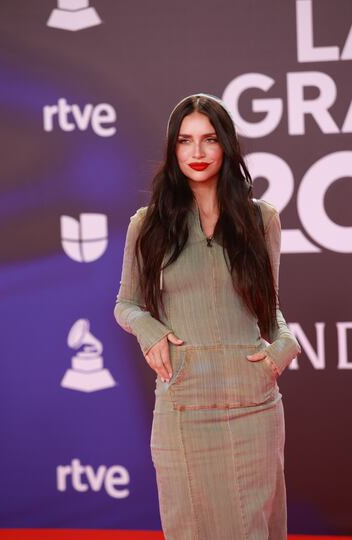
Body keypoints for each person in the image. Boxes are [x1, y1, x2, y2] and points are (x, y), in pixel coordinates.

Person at [114, 93, 302, 540]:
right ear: (173, 150)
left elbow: (268, 308)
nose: (196, 154)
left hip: (252, 403)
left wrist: (285, 346)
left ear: (227, 147)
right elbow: (127, 304)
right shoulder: (148, 224)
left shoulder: (261, 220)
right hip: (184, 403)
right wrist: (149, 331)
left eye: (209, 140)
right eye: (185, 141)